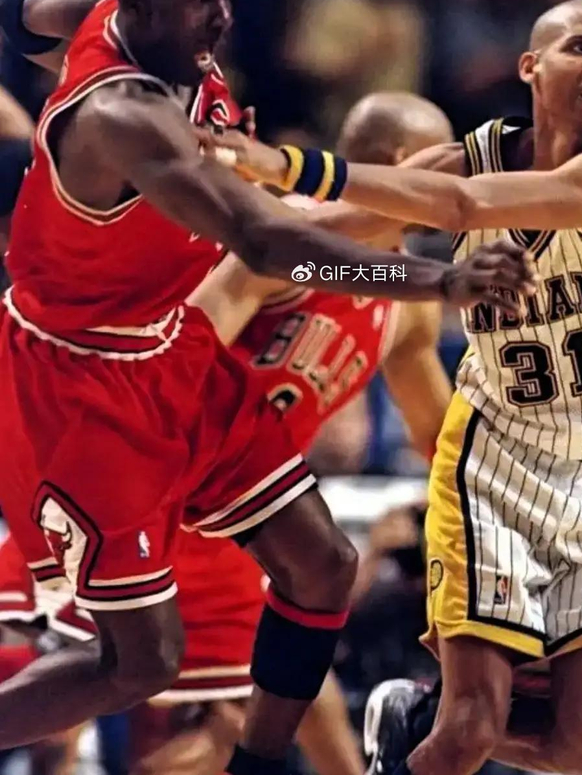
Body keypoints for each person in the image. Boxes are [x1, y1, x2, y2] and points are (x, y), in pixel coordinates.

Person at [0, 0, 535, 775]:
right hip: (82, 377)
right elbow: (266, 241)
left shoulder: (115, 13)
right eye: (198, 0)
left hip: (166, 352)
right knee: (141, 663)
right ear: (140, 4)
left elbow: (26, 11)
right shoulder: (125, 114)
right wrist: (440, 279)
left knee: (324, 566)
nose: (221, 18)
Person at [222, 0, 582, 775]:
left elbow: (464, 207)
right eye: (580, 47)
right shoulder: (462, 168)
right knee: (470, 725)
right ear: (531, 67)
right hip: (494, 468)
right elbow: (313, 246)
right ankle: (423, 726)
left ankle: (407, 713)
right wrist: (237, 212)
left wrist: (287, 164)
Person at [0, 91, 455, 775]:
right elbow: (181, 345)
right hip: (166, 476)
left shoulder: (401, 298)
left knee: (258, 693)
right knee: (165, 685)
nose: (458, 183)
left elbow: (439, 433)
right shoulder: (286, 237)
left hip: (232, 513)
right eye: (445, 161)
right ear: (401, 162)